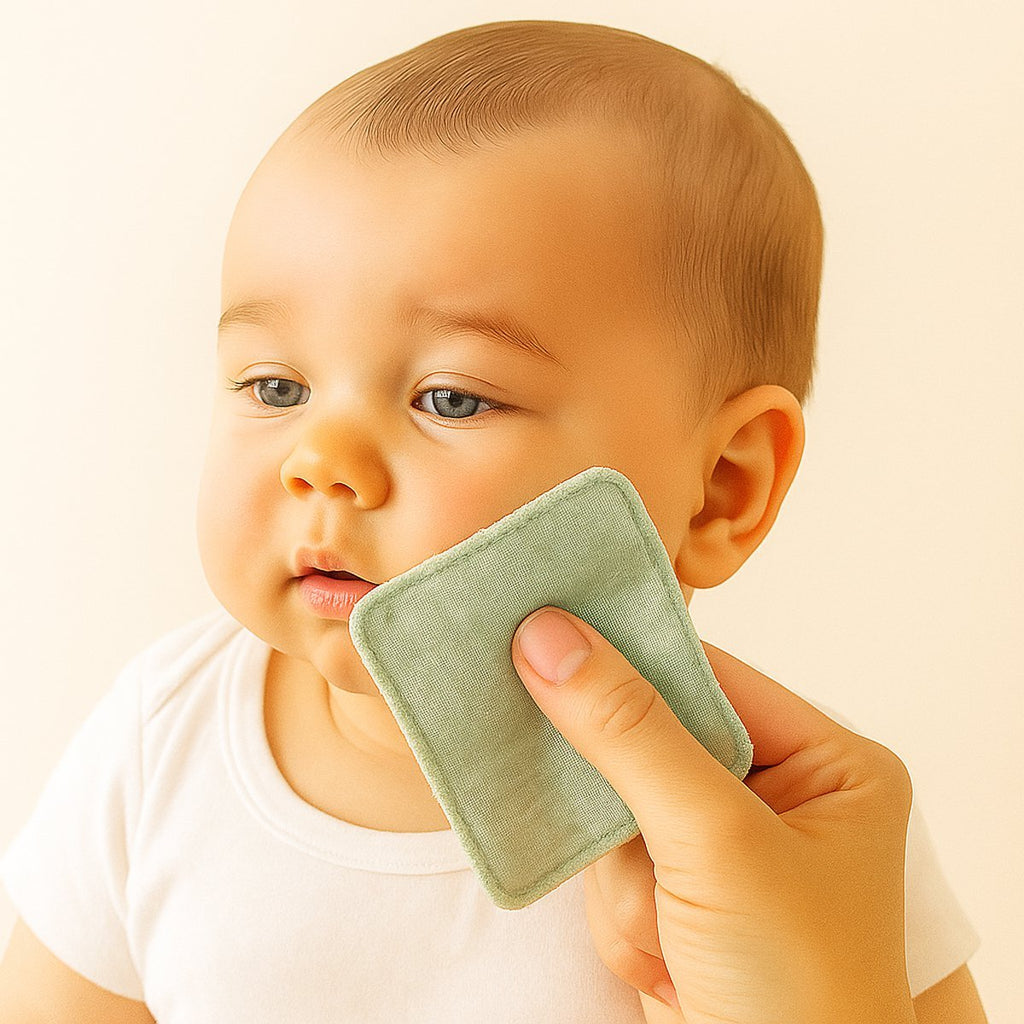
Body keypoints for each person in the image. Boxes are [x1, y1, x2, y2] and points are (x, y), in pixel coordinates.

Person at [0, 20, 985, 1023]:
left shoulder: (795, 837)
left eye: (452, 398)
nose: (321, 462)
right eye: (275, 383)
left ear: (722, 486)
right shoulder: (156, 741)